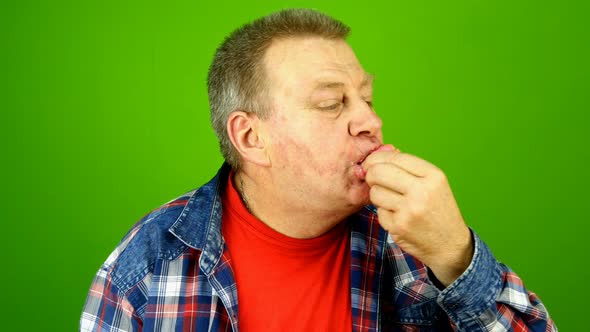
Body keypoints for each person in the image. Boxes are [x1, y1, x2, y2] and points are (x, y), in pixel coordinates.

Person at [80, 8, 556, 332]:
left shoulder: (412, 241)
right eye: (332, 103)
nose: (371, 121)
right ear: (251, 138)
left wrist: (456, 254)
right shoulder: (143, 274)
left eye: (366, 99)